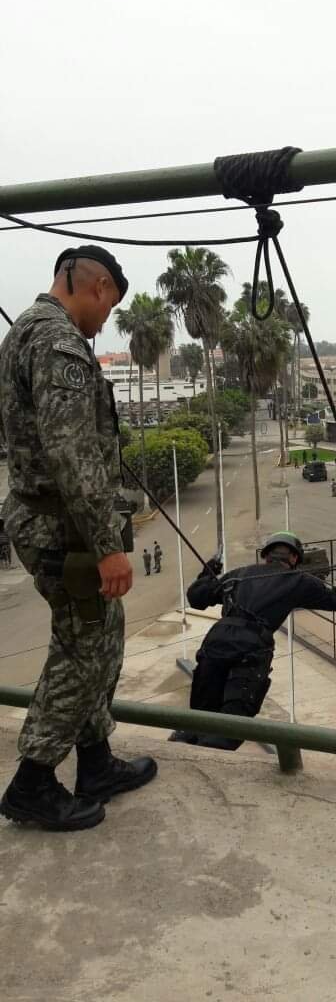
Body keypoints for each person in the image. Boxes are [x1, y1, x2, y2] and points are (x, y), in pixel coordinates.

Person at [0, 246, 157, 832]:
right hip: (62, 529)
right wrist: (106, 545)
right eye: (109, 308)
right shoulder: (58, 341)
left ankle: (95, 762)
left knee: (101, 636)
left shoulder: (26, 329)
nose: (104, 320)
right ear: (97, 288)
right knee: (84, 645)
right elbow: (71, 451)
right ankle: (33, 782)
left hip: (52, 519)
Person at [169, 532, 336, 750]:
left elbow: (196, 597)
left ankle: (180, 753)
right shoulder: (298, 580)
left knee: (199, 720)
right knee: (230, 728)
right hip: (250, 649)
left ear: (266, 555)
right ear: (294, 558)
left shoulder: (239, 574)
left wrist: (208, 573)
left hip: (216, 642)